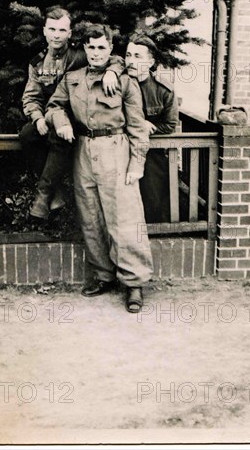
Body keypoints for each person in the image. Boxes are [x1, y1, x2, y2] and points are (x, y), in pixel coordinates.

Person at [46, 24, 153, 313]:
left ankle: (134, 283)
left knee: (124, 218)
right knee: (90, 216)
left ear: (110, 49)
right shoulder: (72, 79)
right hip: (83, 151)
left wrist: (137, 164)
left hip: (115, 151)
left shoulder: (125, 81)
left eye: (101, 47)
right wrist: (62, 121)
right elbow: (53, 106)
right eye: (90, 47)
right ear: (84, 49)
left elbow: (138, 127)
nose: (95, 53)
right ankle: (104, 275)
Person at [19, 6, 124, 219]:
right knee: (27, 135)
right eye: (52, 29)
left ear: (69, 33)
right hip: (51, 115)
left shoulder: (80, 54)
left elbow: (110, 56)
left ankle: (44, 195)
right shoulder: (37, 62)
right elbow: (31, 96)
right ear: (44, 31)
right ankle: (54, 192)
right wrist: (37, 117)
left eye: (62, 30)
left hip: (77, 116)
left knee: (60, 137)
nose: (57, 35)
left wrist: (113, 71)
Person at [125, 33, 179, 223]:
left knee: (152, 200)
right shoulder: (116, 84)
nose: (130, 61)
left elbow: (171, 125)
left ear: (150, 62)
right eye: (128, 55)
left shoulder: (163, 90)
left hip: (151, 154)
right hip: (120, 150)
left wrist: (151, 127)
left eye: (137, 56)